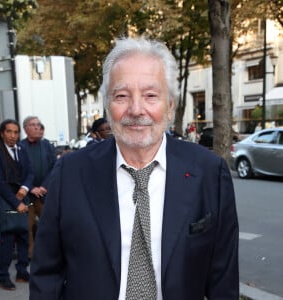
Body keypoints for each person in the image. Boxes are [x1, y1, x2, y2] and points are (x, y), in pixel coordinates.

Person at [30, 37, 239, 300]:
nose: (136, 109)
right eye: (122, 96)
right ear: (108, 105)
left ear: (170, 104)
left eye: (151, 95)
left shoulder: (209, 172)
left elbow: (223, 279)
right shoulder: (70, 172)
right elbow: (46, 272)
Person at [0, 119, 34, 290]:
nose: (13, 136)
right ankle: (3, 276)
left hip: (21, 197)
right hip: (4, 200)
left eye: (16, 132)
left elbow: (30, 171)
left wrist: (24, 189)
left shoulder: (22, 149)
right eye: (9, 132)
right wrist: (16, 202)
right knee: (7, 240)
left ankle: (22, 272)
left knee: (23, 236)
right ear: (2, 133)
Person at [20, 116, 56, 259]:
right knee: (27, 227)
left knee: (50, 225)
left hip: (44, 194)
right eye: (32, 125)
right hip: (27, 195)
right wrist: (31, 188)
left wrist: (44, 186)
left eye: (38, 125)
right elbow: (16, 171)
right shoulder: (20, 147)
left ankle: (50, 253)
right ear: (25, 128)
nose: (37, 127)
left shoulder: (47, 145)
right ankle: (30, 255)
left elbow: (55, 167)